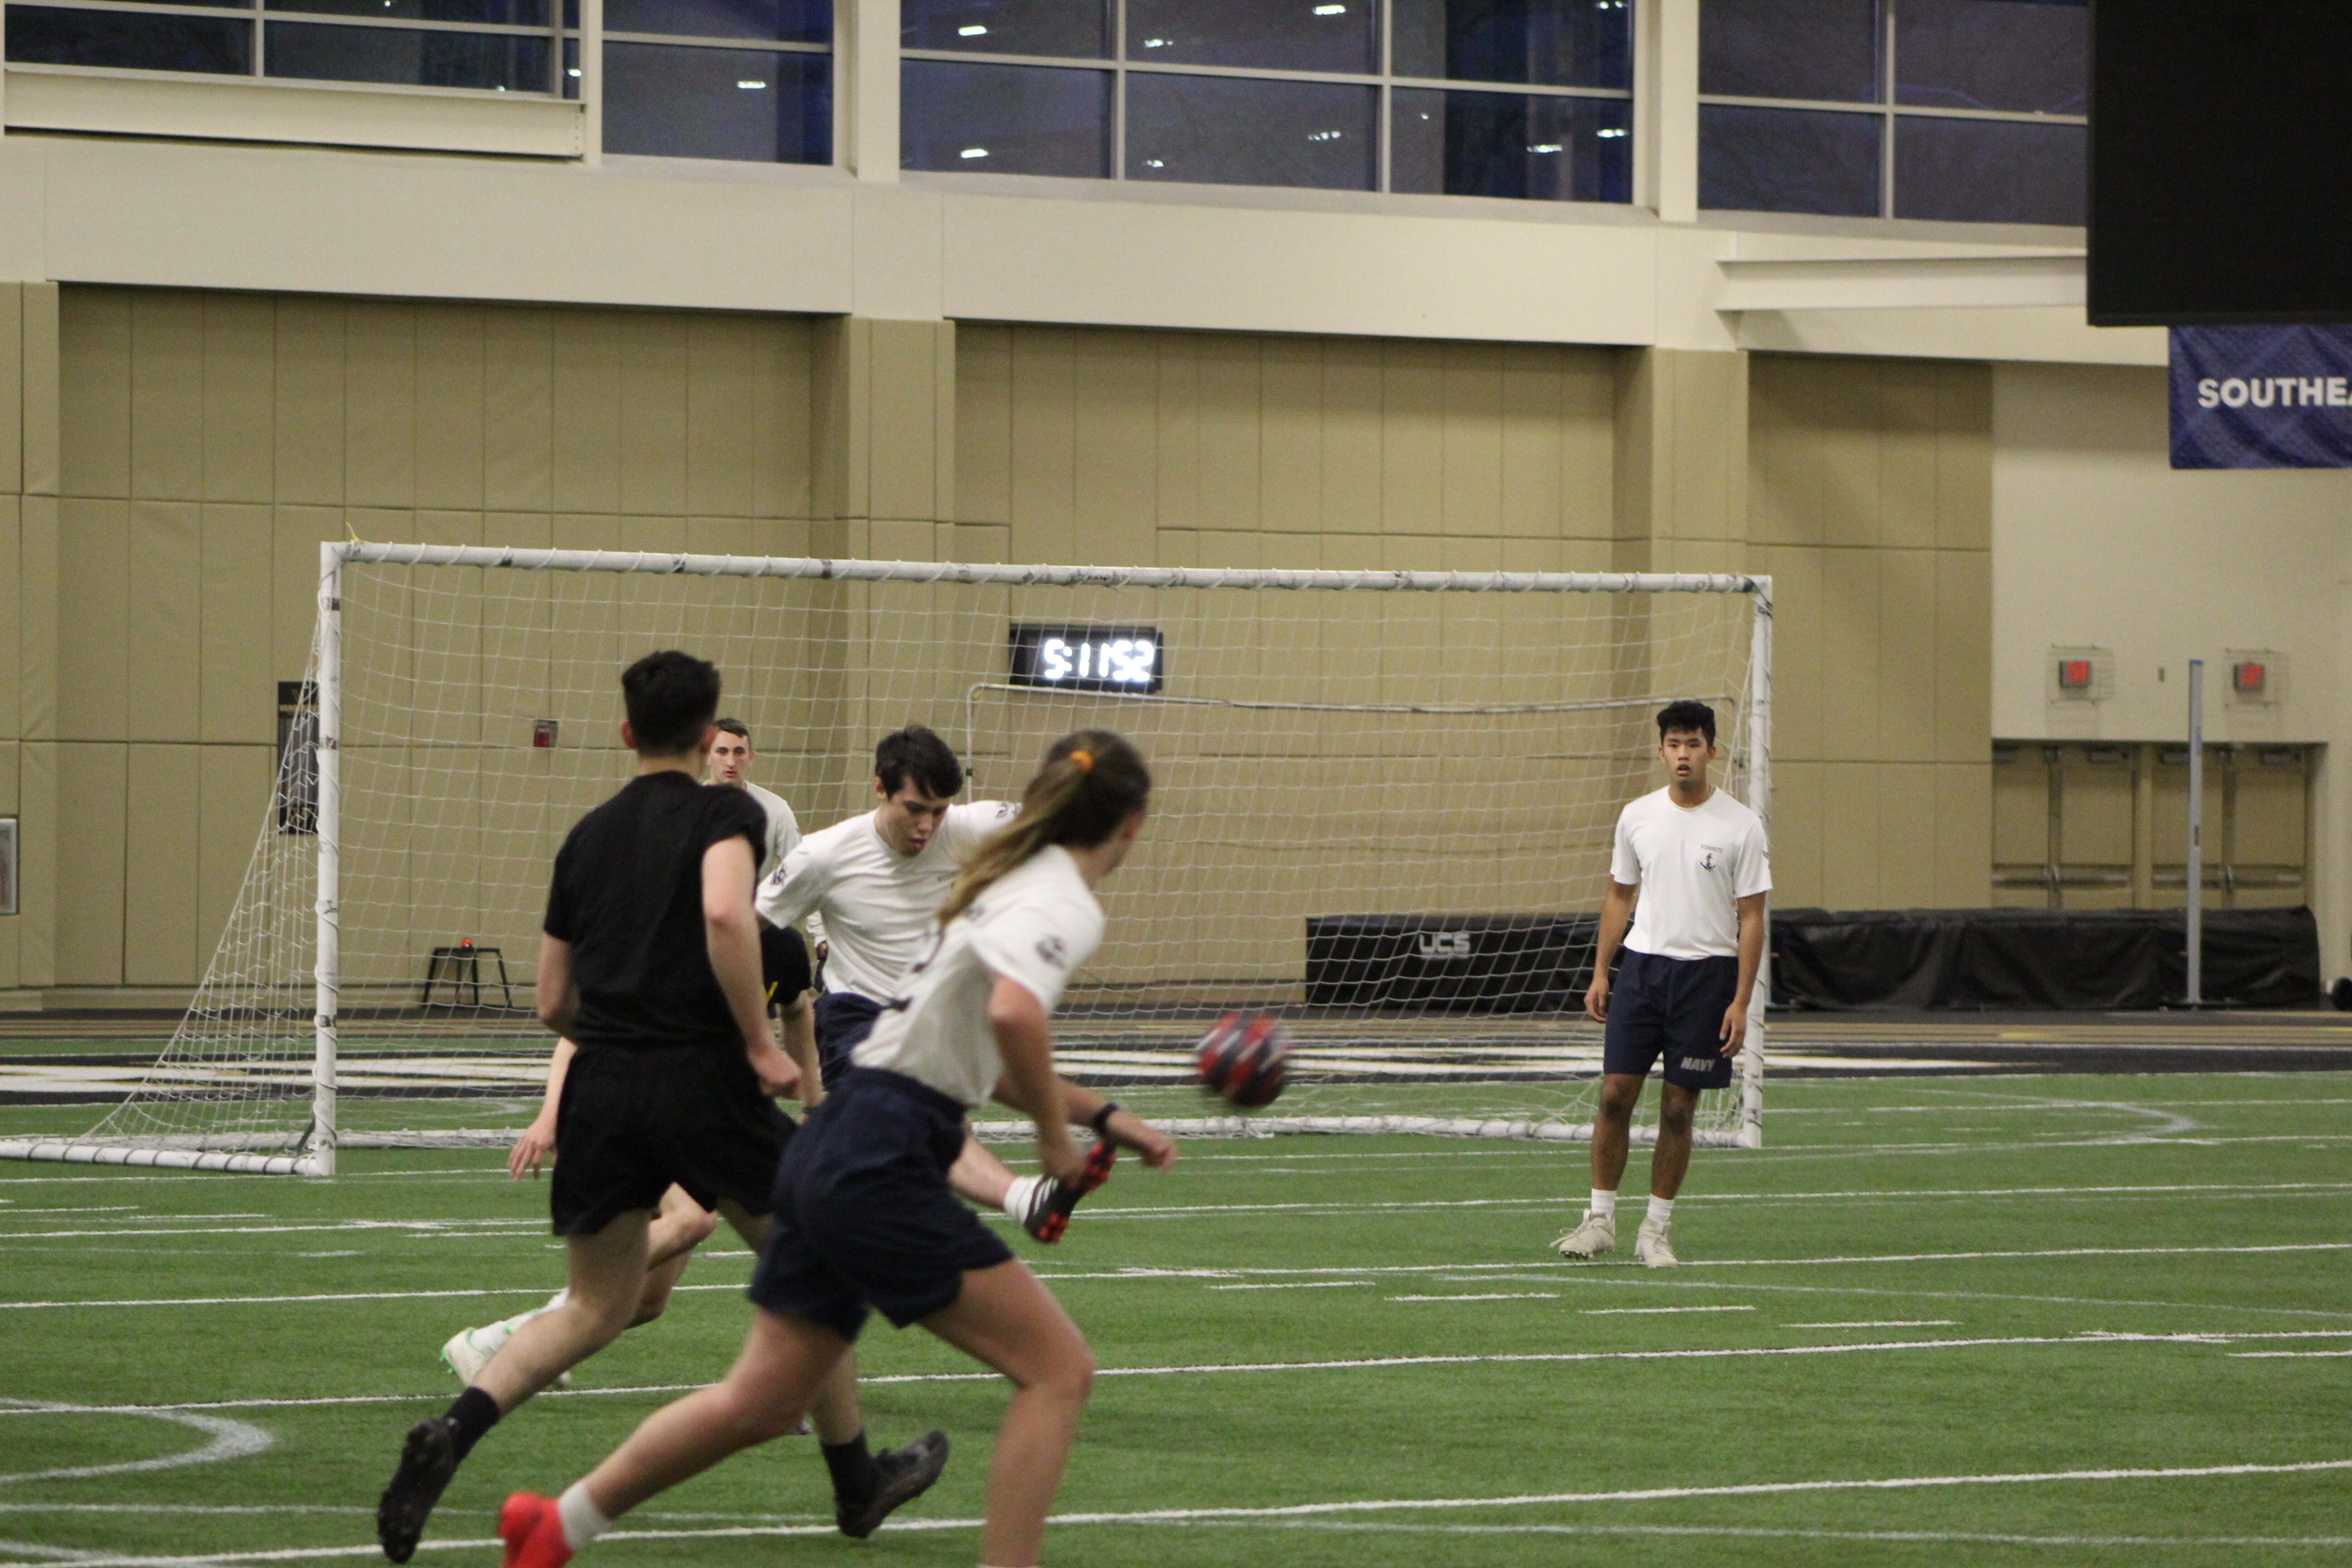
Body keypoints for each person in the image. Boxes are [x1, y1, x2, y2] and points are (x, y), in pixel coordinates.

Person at [495, 730, 1165, 1568]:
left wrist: (1103, 1114)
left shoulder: (994, 886)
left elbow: (970, 1054)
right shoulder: (1059, 898)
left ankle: (555, 1526)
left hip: (833, 1149)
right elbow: (1011, 1017)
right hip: (884, 1156)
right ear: (1130, 825)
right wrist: (1055, 1143)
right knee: (1059, 1371)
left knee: (761, 1404)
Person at [376, 652, 946, 1565]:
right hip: (698, 1082)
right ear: (709, 734)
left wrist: (615, 1038)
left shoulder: (587, 836)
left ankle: (455, 1429)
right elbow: (727, 916)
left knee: (594, 1307)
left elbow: (551, 1000)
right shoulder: (728, 814)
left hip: (603, 1086)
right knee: (823, 1256)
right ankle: (855, 1481)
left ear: (625, 732)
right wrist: (754, 1043)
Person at [441, 718, 825, 1391]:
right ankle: (792, 1400)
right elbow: (574, 1027)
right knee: (696, 1221)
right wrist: (549, 1117)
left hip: (697, 1112)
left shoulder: (780, 947)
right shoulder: (676, 942)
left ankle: (511, 1346)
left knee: (644, 1303)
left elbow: (798, 1015)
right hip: (639, 1109)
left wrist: (814, 1108)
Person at [759, 725, 1152, 1241]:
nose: (927, 826)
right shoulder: (824, 854)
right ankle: (1021, 1198)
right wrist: (743, 1031)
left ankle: (1005, 1203)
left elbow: (1056, 818)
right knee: (916, 1127)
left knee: (915, 1160)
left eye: (939, 811)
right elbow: (741, 925)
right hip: (857, 1015)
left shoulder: (974, 826)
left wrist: (1090, 784)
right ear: (879, 788)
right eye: (914, 809)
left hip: (936, 1011)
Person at [1555, 699, 1768, 1269]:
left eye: (1693, 744)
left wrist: (1741, 1001)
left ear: (1711, 751)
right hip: (1643, 972)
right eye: (1674, 744)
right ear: (1661, 752)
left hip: (1707, 978)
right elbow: (1618, 895)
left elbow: (1752, 917)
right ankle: (1599, 1221)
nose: (1683, 754)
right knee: (1614, 1095)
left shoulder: (1741, 825)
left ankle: (1656, 1230)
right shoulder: (1638, 816)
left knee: (1678, 1107)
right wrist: (1601, 971)